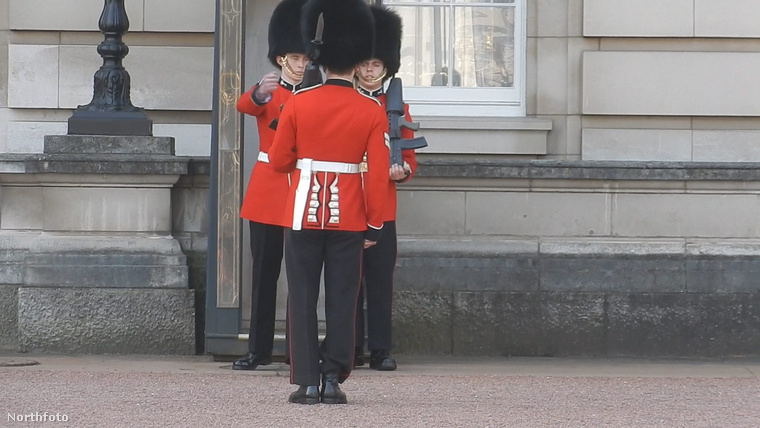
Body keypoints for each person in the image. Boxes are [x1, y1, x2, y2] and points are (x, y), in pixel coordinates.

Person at [268, 0, 388, 405]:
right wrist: (376, 223)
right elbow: (375, 174)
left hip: (301, 212)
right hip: (350, 217)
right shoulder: (371, 110)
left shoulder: (299, 102)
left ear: (320, 62)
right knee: (342, 298)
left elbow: (281, 159)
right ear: (356, 64)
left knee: (301, 296)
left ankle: (305, 381)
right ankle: (333, 377)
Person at [232, 0, 308, 371]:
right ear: (281, 59)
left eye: (306, 58)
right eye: (297, 57)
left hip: (301, 189)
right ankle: (258, 349)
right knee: (264, 273)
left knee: (301, 276)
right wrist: (260, 92)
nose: (303, 63)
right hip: (267, 189)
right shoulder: (270, 91)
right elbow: (244, 105)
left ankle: (300, 349)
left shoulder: (313, 93)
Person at [353, 5, 417, 372]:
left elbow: (408, 154)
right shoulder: (347, 99)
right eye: (365, 63)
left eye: (376, 64)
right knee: (349, 281)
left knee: (379, 281)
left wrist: (402, 171)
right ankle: (351, 346)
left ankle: (380, 348)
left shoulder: (397, 106)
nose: (370, 69)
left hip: (383, 203)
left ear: (386, 67)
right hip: (349, 199)